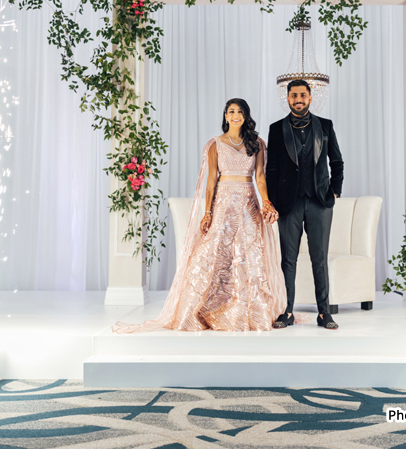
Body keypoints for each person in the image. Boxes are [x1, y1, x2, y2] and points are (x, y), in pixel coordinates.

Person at [113, 99, 285, 332]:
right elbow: (211, 181)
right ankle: (204, 312)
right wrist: (207, 212)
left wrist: (265, 201)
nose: (236, 115)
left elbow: (261, 177)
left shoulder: (257, 144)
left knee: (249, 255)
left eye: (240, 112)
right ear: (225, 116)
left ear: (246, 116)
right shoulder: (215, 144)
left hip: (248, 203)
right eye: (231, 111)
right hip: (223, 203)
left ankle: (248, 314)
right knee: (213, 255)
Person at [266, 80, 344, 330]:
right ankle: (286, 312)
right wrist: (273, 201)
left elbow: (337, 162)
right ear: (287, 98)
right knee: (287, 260)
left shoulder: (326, 126)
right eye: (293, 95)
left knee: (319, 258)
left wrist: (335, 193)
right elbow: (272, 169)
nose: (298, 99)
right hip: (288, 204)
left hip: (320, 202)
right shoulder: (276, 129)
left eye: (302, 95)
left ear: (310, 97)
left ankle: (324, 314)